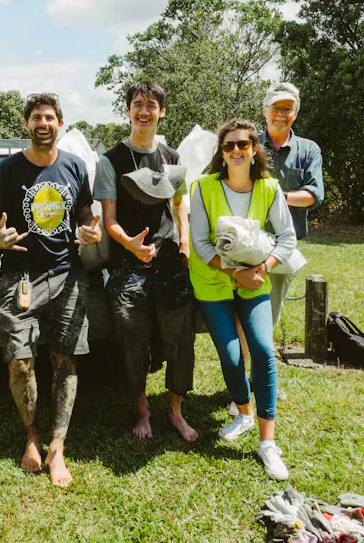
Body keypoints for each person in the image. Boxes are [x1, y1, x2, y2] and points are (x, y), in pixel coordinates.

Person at [0, 92, 101, 488]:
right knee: (20, 360)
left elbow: (85, 213)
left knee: (65, 360)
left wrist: (91, 228)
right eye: (36, 117)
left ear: (59, 123)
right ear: (26, 125)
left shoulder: (74, 166)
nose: (43, 123)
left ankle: (57, 446)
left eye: (50, 117)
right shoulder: (8, 171)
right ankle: (31, 435)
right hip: (21, 277)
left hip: (67, 274)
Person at [188, 118, 297, 480]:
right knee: (232, 355)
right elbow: (200, 244)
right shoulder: (202, 188)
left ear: (254, 149)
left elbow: (287, 239)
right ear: (221, 153)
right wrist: (235, 272)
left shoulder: (269, 188)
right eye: (229, 146)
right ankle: (244, 412)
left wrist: (264, 267)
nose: (236, 151)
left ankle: (268, 442)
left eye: (243, 145)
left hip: (255, 282)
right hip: (214, 281)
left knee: (263, 350)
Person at [94, 80, 197, 442]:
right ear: (127, 110)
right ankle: (142, 409)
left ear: (161, 112)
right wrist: (131, 245)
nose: (144, 111)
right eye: (138, 104)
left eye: (151, 105)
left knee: (180, 334)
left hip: (169, 260)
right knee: (130, 335)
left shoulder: (173, 158)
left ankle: (176, 410)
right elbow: (109, 219)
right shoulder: (110, 161)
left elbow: (180, 206)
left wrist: (184, 243)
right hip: (128, 264)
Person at [260, 82, 324, 326]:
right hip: (246, 241)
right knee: (240, 309)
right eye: (276, 107)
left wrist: (276, 197)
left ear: (295, 114)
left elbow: (314, 195)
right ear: (265, 110)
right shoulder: (248, 145)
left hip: (283, 246)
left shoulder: (308, 150)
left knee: (268, 315)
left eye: (288, 108)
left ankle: (258, 358)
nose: (281, 114)